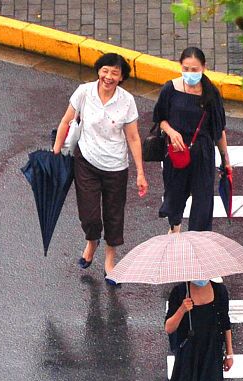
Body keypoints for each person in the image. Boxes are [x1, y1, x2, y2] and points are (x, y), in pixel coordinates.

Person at [52, 52, 147, 281]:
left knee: (114, 215)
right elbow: (65, 121)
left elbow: (133, 137)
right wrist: (55, 152)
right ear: (98, 71)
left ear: (121, 77)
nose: (109, 76)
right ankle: (92, 241)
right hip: (86, 161)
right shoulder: (84, 92)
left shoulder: (127, 101)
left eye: (115, 73)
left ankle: (110, 259)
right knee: (89, 215)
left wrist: (140, 173)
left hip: (116, 167)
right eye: (105, 71)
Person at [153, 47, 230, 233]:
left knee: (203, 201)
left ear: (204, 68)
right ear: (180, 66)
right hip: (176, 152)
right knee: (174, 195)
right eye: (186, 68)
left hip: (203, 154)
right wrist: (171, 132)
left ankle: (198, 238)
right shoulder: (170, 89)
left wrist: (225, 160)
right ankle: (175, 227)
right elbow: (160, 118)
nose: (190, 73)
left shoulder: (211, 93)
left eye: (194, 70)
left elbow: (219, 130)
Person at [164, 278, 233, 381]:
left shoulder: (219, 291)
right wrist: (182, 309)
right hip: (189, 355)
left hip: (212, 353)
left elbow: (225, 323)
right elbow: (169, 328)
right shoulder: (180, 292)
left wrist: (229, 353)